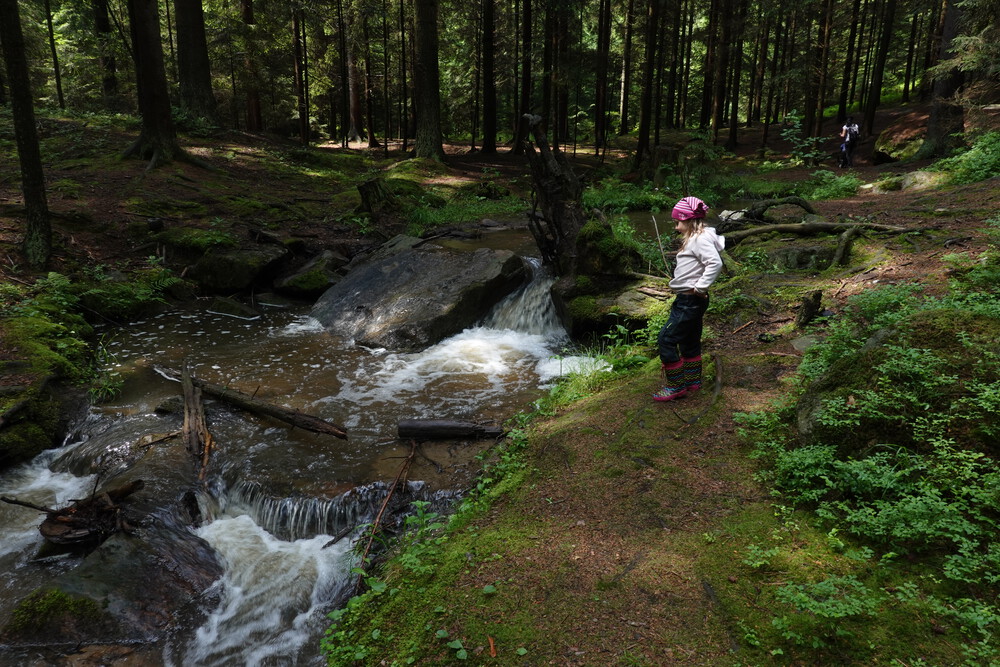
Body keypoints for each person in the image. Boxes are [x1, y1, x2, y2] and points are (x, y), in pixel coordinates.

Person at [654, 196, 725, 402]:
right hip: (690, 300)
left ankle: (676, 386)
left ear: (688, 220)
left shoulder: (699, 239)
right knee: (690, 339)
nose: (676, 227)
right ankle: (693, 380)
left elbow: (715, 263)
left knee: (666, 339)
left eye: (678, 222)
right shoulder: (699, 237)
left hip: (689, 300)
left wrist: (700, 287)